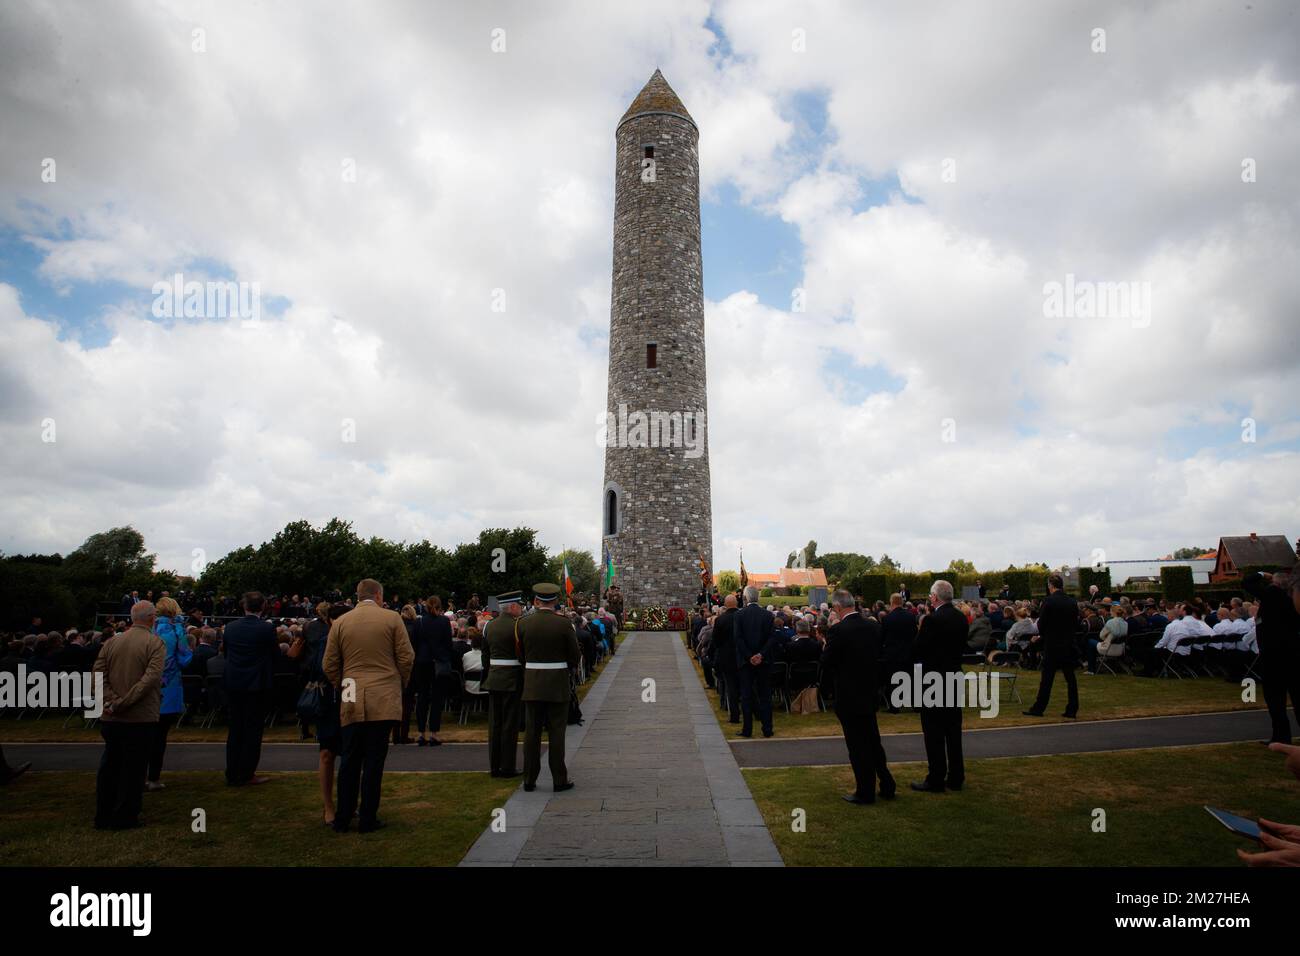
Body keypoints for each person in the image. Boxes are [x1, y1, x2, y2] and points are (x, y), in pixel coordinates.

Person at [322, 579, 413, 833]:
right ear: (379, 594)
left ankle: (342, 816)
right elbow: (406, 657)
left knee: (350, 757)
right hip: (382, 691)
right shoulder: (392, 619)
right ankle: (367, 817)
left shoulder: (340, 622)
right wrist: (399, 682)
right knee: (374, 759)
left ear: (358, 596)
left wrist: (342, 683)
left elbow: (329, 663)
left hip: (351, 690)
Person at [93, 600, 164, 829]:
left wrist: (111, 701)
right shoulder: (154, 643)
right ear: (152, 618)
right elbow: (150, 679)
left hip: (112, 715)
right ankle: (125, 815)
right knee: (134, 769)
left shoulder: (112, 642)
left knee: (110, 765)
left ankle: (103, 813)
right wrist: (123, 702)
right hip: (138, 716)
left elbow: (97, 674)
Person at [821, 589, 895, 804]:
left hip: (849, 694)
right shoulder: (873, 626)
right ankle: (886, 782)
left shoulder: (839, 631)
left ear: (837, 607)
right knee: (872, 740)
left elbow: (827, 661)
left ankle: (865, 790)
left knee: (857, 746)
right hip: (869, 691)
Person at [519, 582, 581, 793]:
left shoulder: (523, 624)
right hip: (557, 684)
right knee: (557, 733)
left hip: (533, 683)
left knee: (532, 733)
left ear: (536, 601)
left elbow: (521, 655)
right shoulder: (563, 624)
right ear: (555, 601)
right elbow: (574, 656)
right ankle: (559, 779)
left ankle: (529, 779)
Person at [912, 580, 967, 793]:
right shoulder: (961, 617)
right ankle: (956, 776)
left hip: (934, 679)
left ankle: (936, 777)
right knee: (953, 730)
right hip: (953, 675)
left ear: (934, 597)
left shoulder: (932, 620)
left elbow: (918, 649)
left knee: (933, 731)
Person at [221, 591, 279, 786]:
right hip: (256, 684)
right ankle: (246, 773)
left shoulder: (230, 627)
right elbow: (274, 655)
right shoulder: (266, 629)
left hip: (234, 683)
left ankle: (233, 772)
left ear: (244, 607)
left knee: (236, 729)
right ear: (262, 607)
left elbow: (226, 652)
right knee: (252, 730)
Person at [1243, 570, 1300, 744]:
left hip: (1274, 654)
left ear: (1275, 584)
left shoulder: (1273, 594)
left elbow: (1247, 582)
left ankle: (1281, 737)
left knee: (1275, 699)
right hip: (1294, 652)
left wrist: (1260, 574)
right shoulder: (1292, 599)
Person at [304, 602, 348, 826]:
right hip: (328, 700)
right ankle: (328, 806)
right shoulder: (323, 642)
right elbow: (317, 669)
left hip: (348, 698)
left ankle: (347, 803)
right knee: (327, 753)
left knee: (351, 755)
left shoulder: (351, 641)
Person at [146, 596, 192, 790]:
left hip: (146, 685)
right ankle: (153, 777)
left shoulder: (148, 629)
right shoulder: (176, 630)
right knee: (159, 736)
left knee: (142, 734)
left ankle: (136, 775)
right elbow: (185, 659)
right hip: (168, 686)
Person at [481, 591, 525, 778]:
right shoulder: (517, 626)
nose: (521, 609)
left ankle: (494, 766)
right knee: (509, 724)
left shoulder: (489, 626)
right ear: (513, 607)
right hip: (512, 678)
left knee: (495, 724)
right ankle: (507, 767)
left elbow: (485, 656)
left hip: (494, 677)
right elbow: (522, 654)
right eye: (520, 605)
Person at [1024, 574, 1080, 719]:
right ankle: (1072, 708)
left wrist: (1042, 635)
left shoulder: (1048, 601)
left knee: (1047, 679)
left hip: (1053, 644)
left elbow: (1041, 625)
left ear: (1051, 585)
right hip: (1068, 644)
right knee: (1070, 678)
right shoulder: (1072, 601)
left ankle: (1039, 708)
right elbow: (1075, 624)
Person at [734, 586, 776, 738]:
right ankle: (767, 728)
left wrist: (749, 656)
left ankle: (747, 729)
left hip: (747, 663)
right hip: (762, 661)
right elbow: (772, 638)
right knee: (765, 695)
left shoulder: (740, 615)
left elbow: (738, 639)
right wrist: (761, 654)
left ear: (745, 598)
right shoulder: (767, 615)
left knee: (746, 696)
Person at [411, 596, 453, 746]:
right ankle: (434, 733)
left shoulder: (419, 622)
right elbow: (448, 643)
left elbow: (414, 643)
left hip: (422, 662)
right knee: (437, 699)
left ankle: (421, 733)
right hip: (438, 662)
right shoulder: (444, 621)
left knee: (422, 697)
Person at [880, 593, 916, 713]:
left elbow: (882, 637)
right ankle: (915, 705)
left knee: (893, 680)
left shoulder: (887, 618)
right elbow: (914, 634)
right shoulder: (910, 616)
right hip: (909, 652)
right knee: (910, 679)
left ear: (891, 603)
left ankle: (895, 707)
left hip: (892, 654)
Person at [712, 594, 741, 723]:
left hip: (727, 658)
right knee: (748, 686)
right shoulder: (743, 616)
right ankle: (755, 713)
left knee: (731, 688)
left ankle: (734, 716)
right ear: (736, 603)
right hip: (743, 656)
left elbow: (716, 641)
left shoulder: (720, 620)